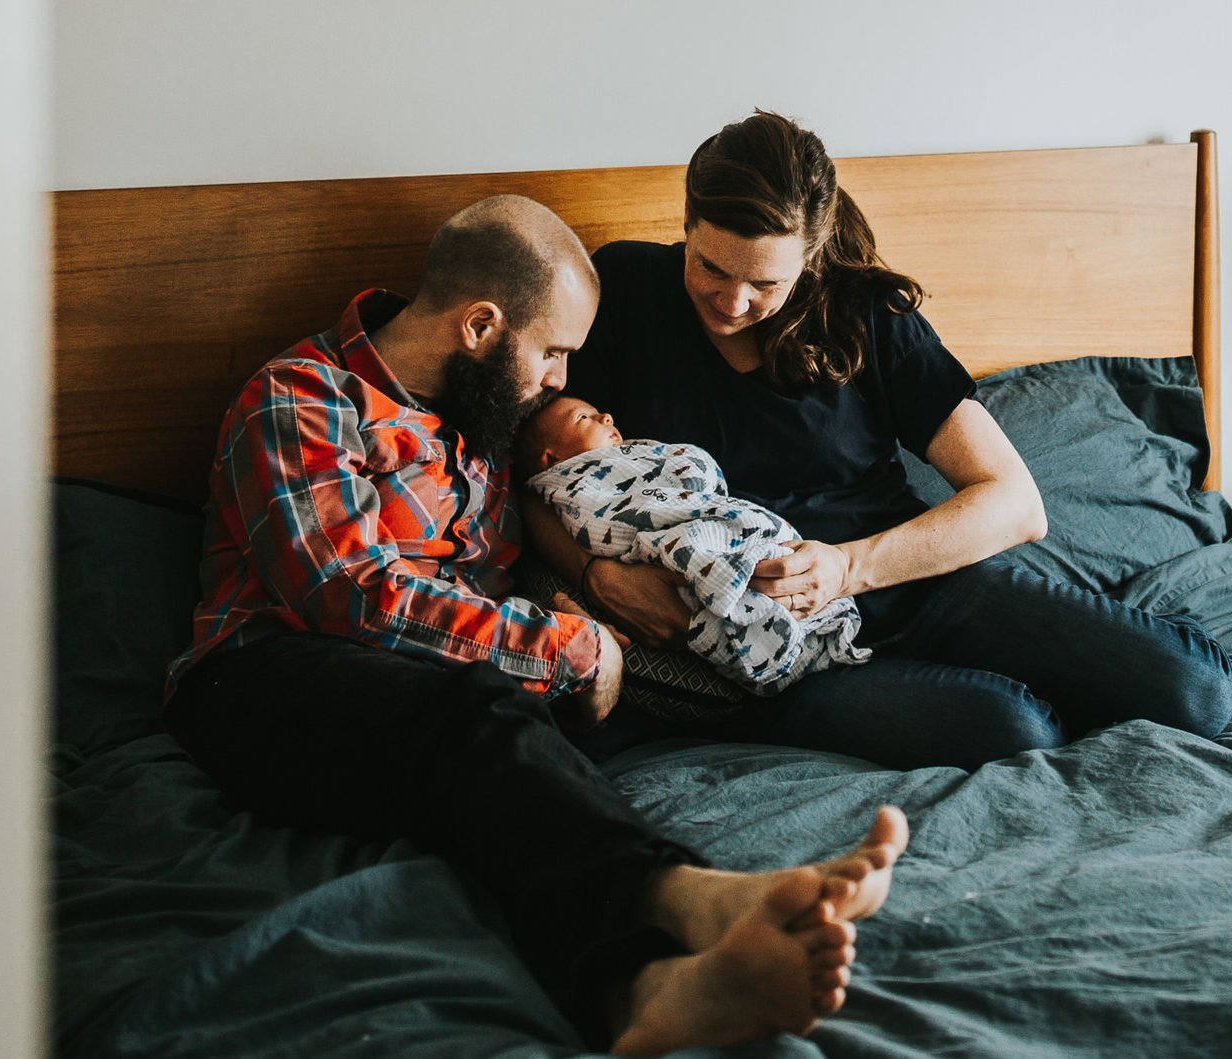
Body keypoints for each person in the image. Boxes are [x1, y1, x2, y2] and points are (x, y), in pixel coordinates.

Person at [160, 194, 908, 1054]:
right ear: (480, 324)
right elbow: (345, 591)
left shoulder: (483, 422)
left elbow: (554, 518)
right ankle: (700, 898)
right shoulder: (303, 396)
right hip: (261, 675)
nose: (559, 378)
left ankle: (646, 986)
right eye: (552, 351)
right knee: (479, 715)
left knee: (500, 781)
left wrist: (598, 588)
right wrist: (569, 646)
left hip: (442, 701)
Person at [528, 109, 1232, 770]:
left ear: (809, 257)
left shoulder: (864, 310)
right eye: (711, 266)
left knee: (1196, 693)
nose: (733, 301)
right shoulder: (624, 291)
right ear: (687, 222)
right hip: (776, 652)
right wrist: (596, 577)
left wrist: (847, 568)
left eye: (764, 282)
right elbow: (520, 477)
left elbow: (1016, 503)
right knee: (1018, 730)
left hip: (915, 585)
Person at [517, 393, 870, 695]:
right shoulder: (574, 485)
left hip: (805, 562)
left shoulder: (636, 454)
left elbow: (692, 476)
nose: (606, 415)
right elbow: (603, 518)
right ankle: (756, 628)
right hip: (672, 556)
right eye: (584, 418)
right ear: (554, 460)